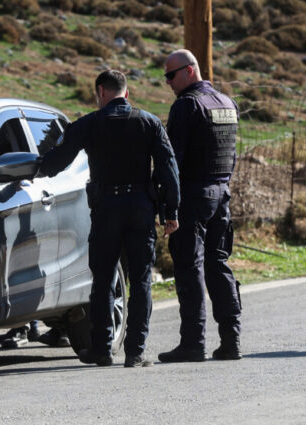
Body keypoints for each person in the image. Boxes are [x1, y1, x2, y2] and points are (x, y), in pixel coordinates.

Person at [39, 70, 180, 367]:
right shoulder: (149, 122)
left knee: (103, 279)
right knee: (141, 280)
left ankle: (102, 349)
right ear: (126, 93)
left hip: (106, 209)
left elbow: (57, 162)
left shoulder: (89, 123)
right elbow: (169, 168)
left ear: (101, 92)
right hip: (141, 207)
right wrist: (171, 211)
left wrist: (36, 166)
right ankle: (135, 351)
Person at [158, 49, 243, 363]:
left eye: (171, 75)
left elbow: (172, 161)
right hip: (221, 195)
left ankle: (193, 342)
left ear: (189, 71)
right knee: (218, 264)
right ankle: (231, 340)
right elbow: (231, 155)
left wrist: (167, 205)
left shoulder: (187, 105)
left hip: (193, 197)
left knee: (189, 266)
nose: (168, 82)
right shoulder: (227, 103)